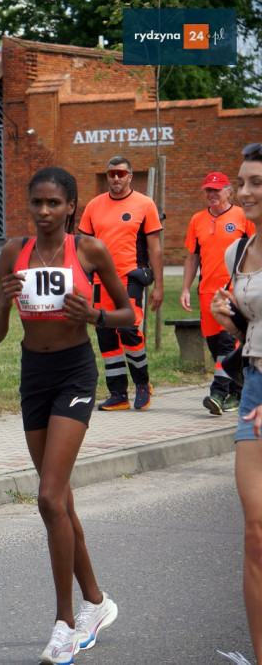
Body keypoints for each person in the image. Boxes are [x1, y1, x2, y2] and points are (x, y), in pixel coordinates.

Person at [0, 167, 132, 664]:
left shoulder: (88, 251)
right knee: (62, 503)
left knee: (49, 498)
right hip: (34, 376)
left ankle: (65, 624)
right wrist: (4, 305)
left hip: (74, 373)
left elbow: (128, 315)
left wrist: (92, 316)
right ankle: (97, 601)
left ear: (71, 206)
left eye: (54, 203)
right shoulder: (14, 252)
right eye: (37, 203)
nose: (44, 211)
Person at [212, 143, 262, 665]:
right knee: (255, 534)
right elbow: (253, 329)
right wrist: (231, 317)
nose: (245, 192)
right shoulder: (238, 253)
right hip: (254, 389)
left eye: (256, 183)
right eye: (243, 182)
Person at [78, 155, 164, 411]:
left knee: (128, 329)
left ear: (130, 175)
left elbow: (155, 248)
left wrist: (159, 286)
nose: (116, 178)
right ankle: (118, 394)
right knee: (106, 335)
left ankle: (142, 384)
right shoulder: (94, 205)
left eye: (121, 173)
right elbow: (83, 247)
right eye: (111, 173)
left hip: (130, 277)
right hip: (99, 281)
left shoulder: (145, 204)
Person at [181, 171, 254, 415]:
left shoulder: (243, 217)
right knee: (215, 345)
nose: (211, 194)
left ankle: (218, 392)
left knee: (226, 342)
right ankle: (237, 391)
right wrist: (185, 289)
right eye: (208, 190)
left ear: (228, 191)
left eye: (216, 190)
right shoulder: (197, 220)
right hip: (207, 294)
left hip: (235, 292)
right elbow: (192, 257)